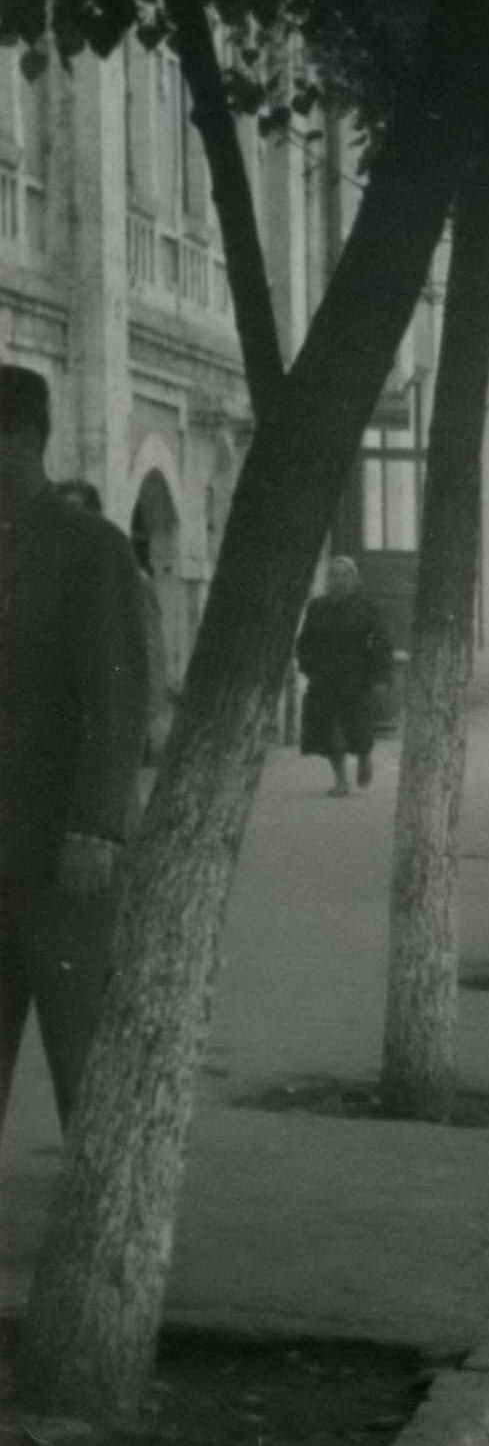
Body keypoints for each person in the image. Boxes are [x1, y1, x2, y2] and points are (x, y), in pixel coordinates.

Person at [1, 367, 154, 1137]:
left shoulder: (89, 547)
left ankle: (98, 1234)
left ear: (22, 439)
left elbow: (119, 697)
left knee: (84, 1063)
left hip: (64, 860)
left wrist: (96, 826)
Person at [299, 556, 394, 797]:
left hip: (356, 678)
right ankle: (341, 781)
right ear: (327, 580)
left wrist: (379, 677)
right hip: (324, 678)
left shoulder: (366, 607)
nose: (338, 580)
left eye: (344, 575)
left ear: (354, 579)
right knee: (331, 732)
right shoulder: (317, 607)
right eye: (333, 575)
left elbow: (382, 643)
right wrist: (308, 665)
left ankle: (364, 757)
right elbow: (305, 641)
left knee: (358, 728)